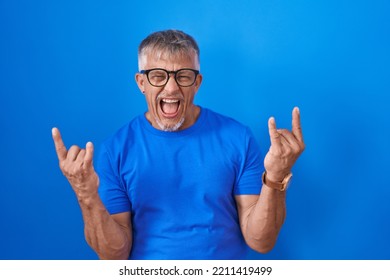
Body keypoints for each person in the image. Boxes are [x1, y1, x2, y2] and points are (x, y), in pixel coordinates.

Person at [52, 29, 305, 260]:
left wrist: (276, 176)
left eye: (183, 76)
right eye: (158, 76)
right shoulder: (115, 150)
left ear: (197, 82)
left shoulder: (237, 138)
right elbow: (113, 255)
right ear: (141, 83)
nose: (171, 88)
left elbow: (261, 241)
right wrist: (86, 194)